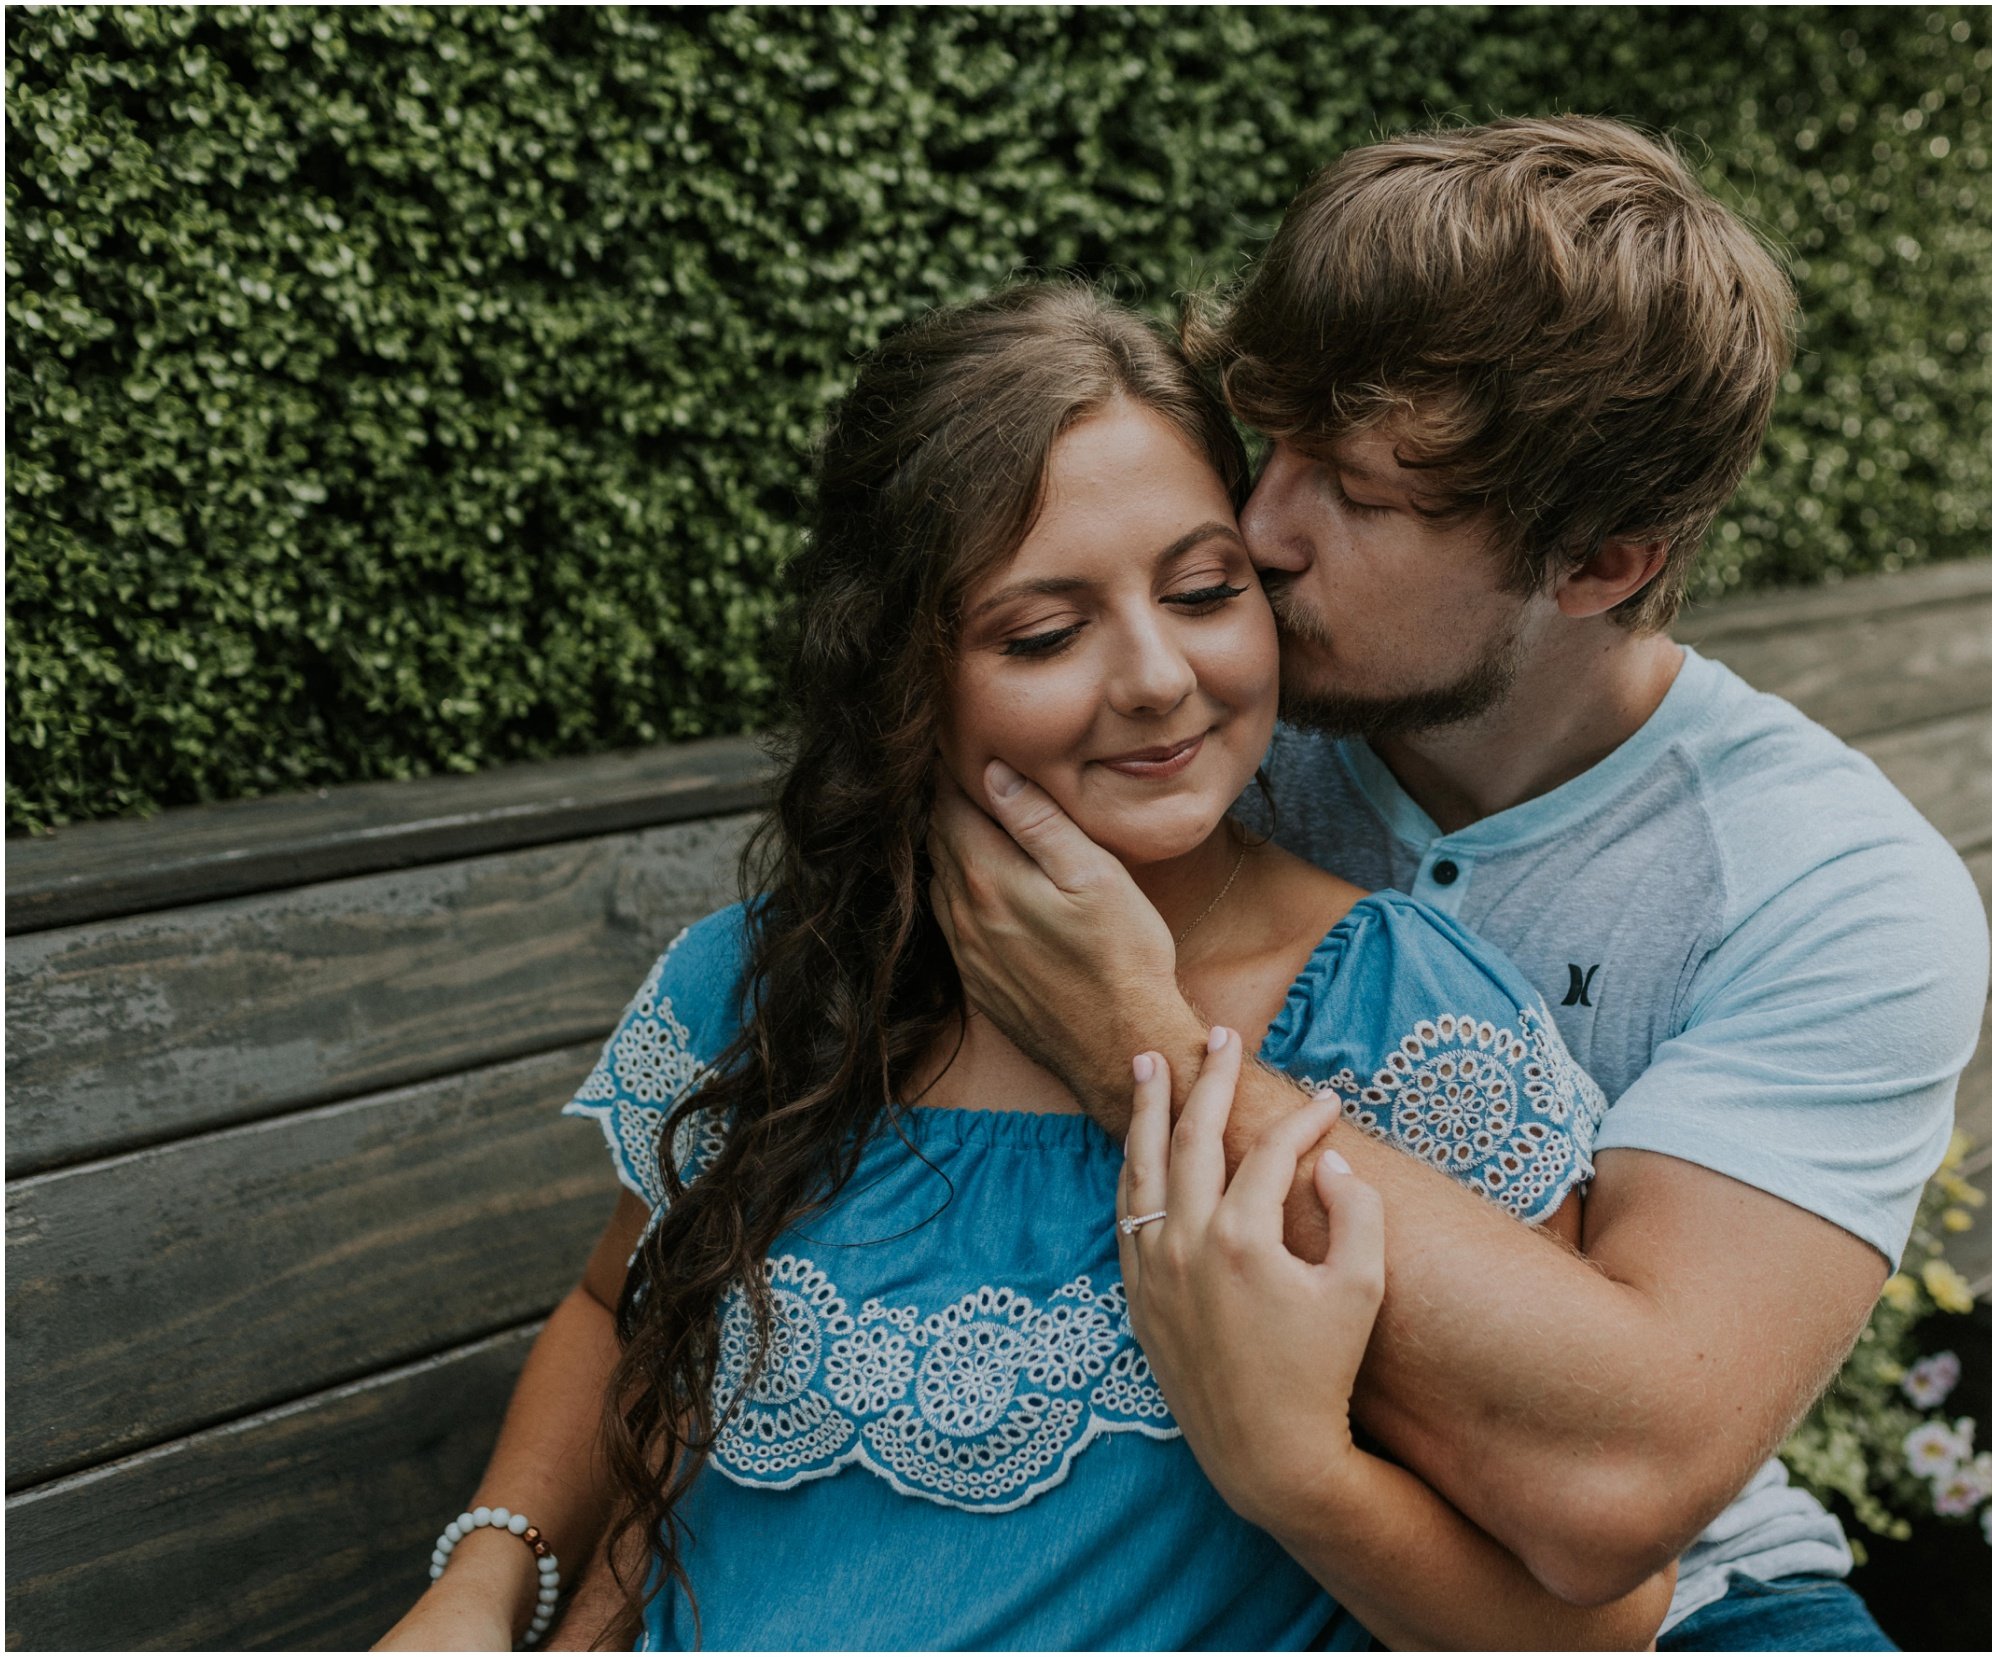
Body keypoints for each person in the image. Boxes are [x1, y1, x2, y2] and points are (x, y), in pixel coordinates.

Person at [377, 281, 1678, 1652]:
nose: (1160, 678)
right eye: (1044, 633)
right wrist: (487, 1572)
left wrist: (1307, 1476)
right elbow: (619, 1309)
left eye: (1205, 590)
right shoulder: (781, 978)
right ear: (900, 669)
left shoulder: (1398, 1025)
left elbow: (1596, 1624)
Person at [929, 118, 1992, 1650]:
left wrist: (1137, 1046)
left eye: (1360, 494)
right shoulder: (1192, 733)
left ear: (1602, 563)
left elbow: (1620, 1482)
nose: (1263, 529)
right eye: (1266, 441)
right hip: (1220, 1567)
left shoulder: (1830, 887)